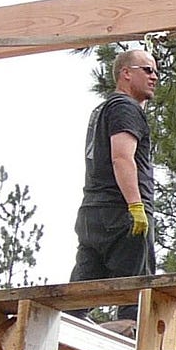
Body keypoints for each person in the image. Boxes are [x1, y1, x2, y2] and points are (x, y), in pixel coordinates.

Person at [70, 48, 159, 332]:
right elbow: (122, 157)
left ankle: (71, 331)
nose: (154, 76)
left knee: (77, 299)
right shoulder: (124, 107)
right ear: (126, 73)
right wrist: (136, 206)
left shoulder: (103, 110)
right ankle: (125, 339)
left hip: (93, 214)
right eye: (147, 70)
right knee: (137, 300)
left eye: (156, 71)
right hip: (121, 213)